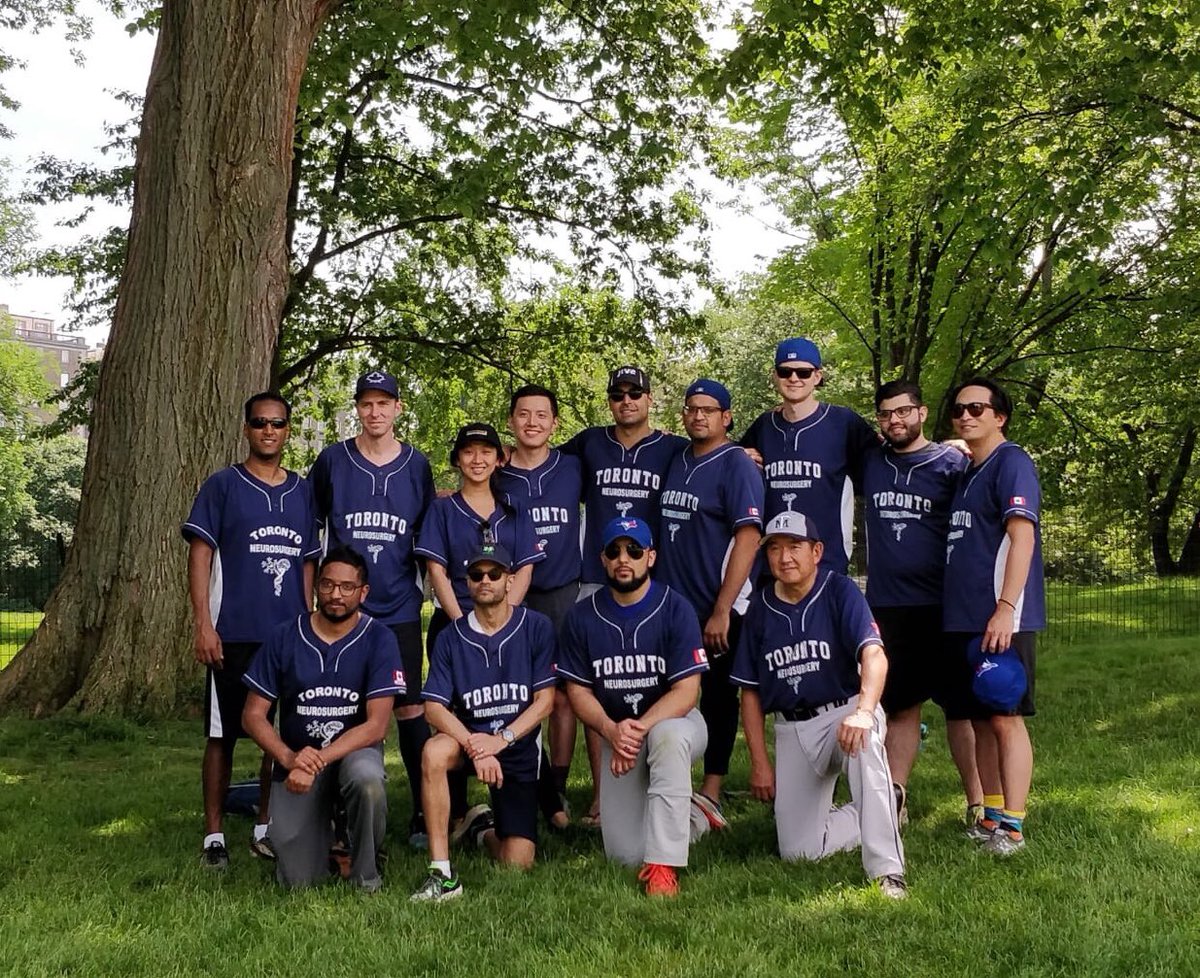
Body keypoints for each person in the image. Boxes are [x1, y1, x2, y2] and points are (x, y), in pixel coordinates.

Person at [731, 511, 907, 899]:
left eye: (795, 546)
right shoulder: (759, 610)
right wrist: (760, 762)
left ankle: (888, 872)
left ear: (816, 551)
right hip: (792, 727)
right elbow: (751, 694)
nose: (785, 557)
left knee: (865, 748)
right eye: (774, 548)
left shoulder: (839, 590)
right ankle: (885, 803)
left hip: (845, 711)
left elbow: (875, 656)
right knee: (799, 852)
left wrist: (864, 711)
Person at [182, 390, 320, 869]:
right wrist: (203, 622)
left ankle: (265, 824)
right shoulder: (223, 486)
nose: (268, 431)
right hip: (233, 631)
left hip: (285, 634)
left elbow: (306, 563)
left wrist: (308, 619)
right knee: (222, 734)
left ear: (287, 430)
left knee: (279, 732)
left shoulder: (302, 491)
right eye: (260, 422)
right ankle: (214, 834)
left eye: (277, 424)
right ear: (246, 428)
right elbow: (200, 554)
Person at [558, 518, 721, 897]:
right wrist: (611, 730)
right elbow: (578, 691)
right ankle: (695, 814)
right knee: (624, 853)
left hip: (675, 724)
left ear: (651, 556)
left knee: (666, 736)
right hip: (615, 733)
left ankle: (664, 867)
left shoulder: (675, 607)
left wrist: (635, 729)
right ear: (602, 558)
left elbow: (686, 694)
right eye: (614, 551)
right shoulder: (582, 616)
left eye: (634, 551)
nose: (623, 559)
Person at [308, 369, 435, 848]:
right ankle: (342, 813)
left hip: (399, 606)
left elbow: (425, 532)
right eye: (367, 403)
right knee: (344, 710)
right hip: (345, 611)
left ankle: (424, 813)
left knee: (409, 709)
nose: (375, 411)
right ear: (357, 408)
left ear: (398, 408)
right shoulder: (333, 461)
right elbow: (314, 524)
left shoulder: (416, 466)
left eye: (384, 403)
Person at [558, 364, 688, 826]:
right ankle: (601, 794)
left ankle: (666, 785)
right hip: (598, 576)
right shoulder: (590, 442)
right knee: (602, 684)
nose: (627, 401)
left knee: (649, 678)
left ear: (650, 399)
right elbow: (543, 462)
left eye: (636, 393)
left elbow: (713, 452)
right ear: (610, 400)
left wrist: (744, 450)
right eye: (618, 394)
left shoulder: (673, 448)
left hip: (652, 581)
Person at [241, 547, 404, 891]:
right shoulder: (285, 636)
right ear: (316, 586)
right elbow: (253, 716)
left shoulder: (379, 638)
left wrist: (315, 762)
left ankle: (366, 875)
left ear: (364, 592)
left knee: (367, 779)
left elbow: (377, 725)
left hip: (351, 754)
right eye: (328, 585)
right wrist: (288, 757)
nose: (336, 595)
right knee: (297, 881)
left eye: (347, 587)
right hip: (296, 759)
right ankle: (329, 842)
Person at [861, 380, 979, 825]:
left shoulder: (952, 463)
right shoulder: (871, 460)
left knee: (960, 708)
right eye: (887, 414)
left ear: (922, 412)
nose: (896, 420)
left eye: (904, 411)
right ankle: (896, 799)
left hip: (945, 603)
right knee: (901, 706)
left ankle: (978, 801)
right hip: (890, 606)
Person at [411, 543, 557, 901]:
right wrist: (476, 746)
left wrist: (501, 740)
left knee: (517, 861)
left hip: (516, 744)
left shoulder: (536, 627)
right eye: (477, 575)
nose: (485, 580)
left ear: (510, 580)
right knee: (433, 751)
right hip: (469, 741)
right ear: (467, 583)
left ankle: (479, 828)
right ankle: (442, 873)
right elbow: (434, 708)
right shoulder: (450, 636)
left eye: (494, 574)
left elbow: (545, 702)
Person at [944, 377, 1044, 856]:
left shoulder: (1013, 462)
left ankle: (1015, 827)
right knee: (981, 720)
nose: (966, 416)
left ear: (999, 416)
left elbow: (1021, 538)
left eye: (978, 408)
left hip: (1002, 617)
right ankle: (991, 816)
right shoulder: (968, 470)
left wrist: (1006, 608)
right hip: (964, 619)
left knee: (1005, 717)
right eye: (959, 409)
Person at [655, 378, 763, 814]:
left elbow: (749, 535)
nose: (699, 415)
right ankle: (665, 781)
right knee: (668, 693)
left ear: (726, 417)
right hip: (670, 604)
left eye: (709, 409)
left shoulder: (737, 463)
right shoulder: (676, 457)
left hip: (716, 607)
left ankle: (712, 791)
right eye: (691, 408)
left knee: (718, 698)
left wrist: (723, 608)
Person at [495, 385, 583, 829]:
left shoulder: (573, 466)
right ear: (510, 421)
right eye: (523, 414)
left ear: (555, 423)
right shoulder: (497, 473)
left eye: (542, 415)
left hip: (560, 590)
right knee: (514, 692)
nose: (532, 422)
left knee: (564, 694)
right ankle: (524, 779)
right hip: (513, 595)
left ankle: (560, 786)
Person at [739, 338, 879, 573]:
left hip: (826, 564)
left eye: (803, 372)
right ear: (775, 376)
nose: (794, 378)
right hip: (771, 568)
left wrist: (942, 448)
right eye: (785, 372)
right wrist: (737, 453)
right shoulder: (764, 426)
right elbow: (724, 462)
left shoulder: (844, 423)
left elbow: (892, 461)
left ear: (817, 376)